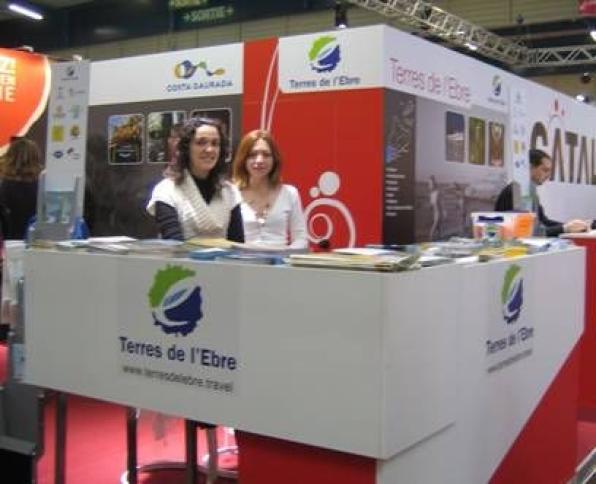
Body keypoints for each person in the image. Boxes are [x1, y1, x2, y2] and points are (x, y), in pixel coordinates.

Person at [146, 117, 244, 242]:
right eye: (201, 142)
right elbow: (174, 246)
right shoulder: (166, 191)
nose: (209, 149)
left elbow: (237, 246)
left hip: (225, 262)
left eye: (215, 143)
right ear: (186, 148)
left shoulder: (230, 192)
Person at [232, 129, 307, 249]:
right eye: (252, 155)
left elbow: (301, 238)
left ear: (274, 159)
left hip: (280, 264)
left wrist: (283, 256)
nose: (259, 160)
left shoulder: (290, 193)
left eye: (266, 155)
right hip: (241, 263)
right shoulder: (231, 193)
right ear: (243, 159)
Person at [494, 148, 590, 236]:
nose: (548, 175)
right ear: (530, 168)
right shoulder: (516, 192)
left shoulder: (529, 191)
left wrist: (571, 226)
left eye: (549, 171)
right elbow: (528, 232)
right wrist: (565, 228)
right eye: (545, 170)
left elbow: (543, 221)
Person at [0, 137, 43, 239]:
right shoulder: (44, 185)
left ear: (10, 156)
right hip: (36, 242)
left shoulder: (3, 185)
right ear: (35, 157)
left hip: (7, 242)